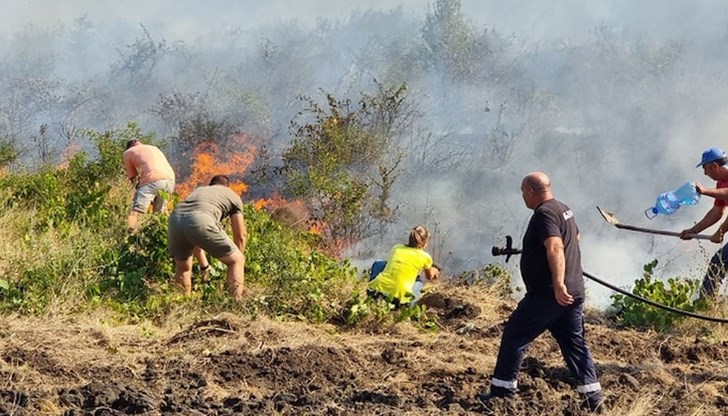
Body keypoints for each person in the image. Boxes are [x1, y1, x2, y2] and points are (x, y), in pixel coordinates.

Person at [478, 172, 603, 412]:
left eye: (523, 192)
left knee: (515, 335)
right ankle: (593, 398)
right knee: (574, 343)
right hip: (574, 292)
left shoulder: (544, 214)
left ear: (531, 191)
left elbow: (555, 245)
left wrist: (558, 284)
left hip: (549, 294)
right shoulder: (563, 208)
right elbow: (575, 237)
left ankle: (502, 395)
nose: (523, 197)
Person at [168, 175, 247, 299]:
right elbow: (240, 235)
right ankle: (235, 306)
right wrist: (238, 262)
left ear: (211, 185)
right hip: (200, 219)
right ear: (227, 186)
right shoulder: (232, 196)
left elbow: (195, 237)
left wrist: (204, 265)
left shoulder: (199, 191)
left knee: (183, 268)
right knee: (236, 260)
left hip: (175, 218)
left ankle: (181, 306)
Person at [680, 147, 728, 299]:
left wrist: (720, 232)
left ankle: (706, 306)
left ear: (714, 166)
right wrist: (693, 230)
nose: (705, 174)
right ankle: (707, 306)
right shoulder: (721, 183)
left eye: (706, 169)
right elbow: (717, 212)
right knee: (718, 264)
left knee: (718, 263)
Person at [367, 226, 440, 307]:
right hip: (398, 300)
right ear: (424, 242)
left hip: (374, 292)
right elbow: (429, 276)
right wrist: (435, 270)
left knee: (380, 263)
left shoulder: (397, 247)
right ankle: (409, 304)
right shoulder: (425, 257)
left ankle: (375, 285)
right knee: (419, 283)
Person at [122, 138, 176, 229]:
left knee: (137, 210)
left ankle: (128, 232)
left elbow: (133, 178)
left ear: (128, 147)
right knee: (159, 214)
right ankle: (160, 234)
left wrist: (139, 192)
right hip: (170, 181)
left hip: (152, 180)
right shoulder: (154, 148)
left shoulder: (128, 153)